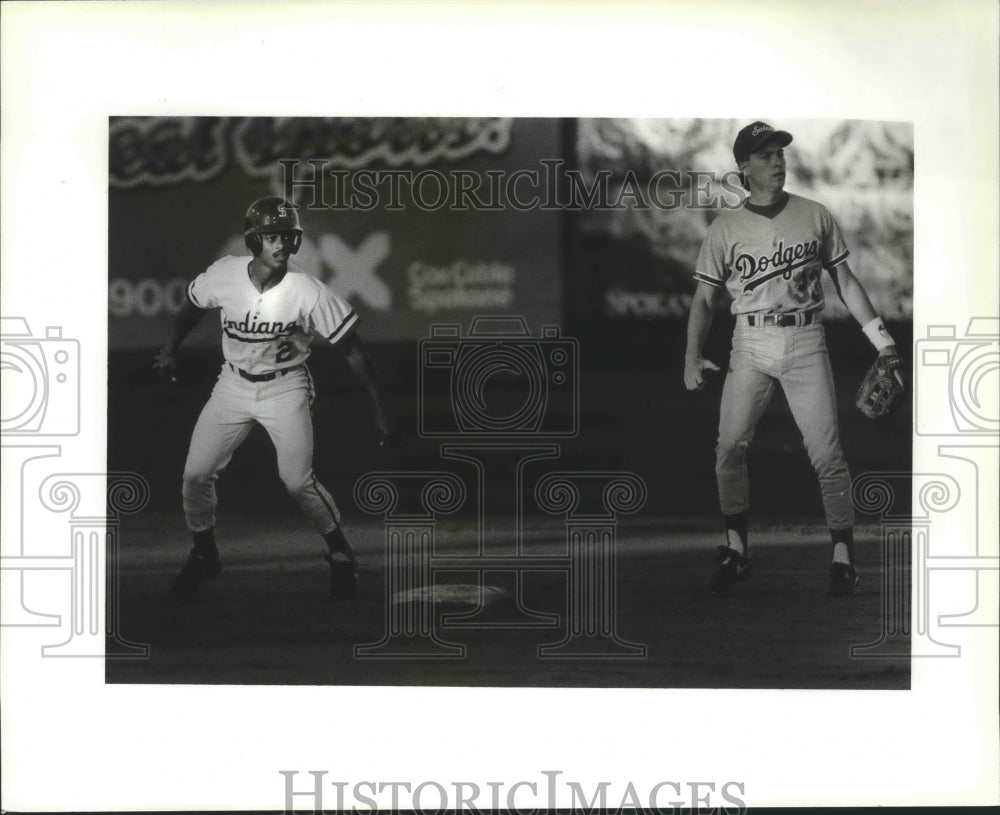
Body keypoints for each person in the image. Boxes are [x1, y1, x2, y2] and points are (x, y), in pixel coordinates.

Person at [683, 121, 903, 595]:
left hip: (806, 340)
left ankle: (843, 553)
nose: (777, 160)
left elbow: (845, 282)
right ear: (744, 168)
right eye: (765, 155)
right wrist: (691, 356)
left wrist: (882, 339)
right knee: (729, 447)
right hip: (751, 342)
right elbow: (704, 299)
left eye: (779, 152)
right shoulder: (726, 228)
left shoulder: (815, 215)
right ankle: (737, 549)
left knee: (827, 453)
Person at [153, 196, 391, 599]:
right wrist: (172, 346)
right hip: (233, 385)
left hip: (286, 386)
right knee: (195, 475)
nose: (281, 243)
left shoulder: (307, 290)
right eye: (271, 236)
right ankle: (205, 554)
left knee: (297, 480)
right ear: (253, 240)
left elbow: (353, 349)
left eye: (287, 236)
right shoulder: (225, 276)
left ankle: (340, 551)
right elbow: (193, 306)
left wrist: (380, 408)